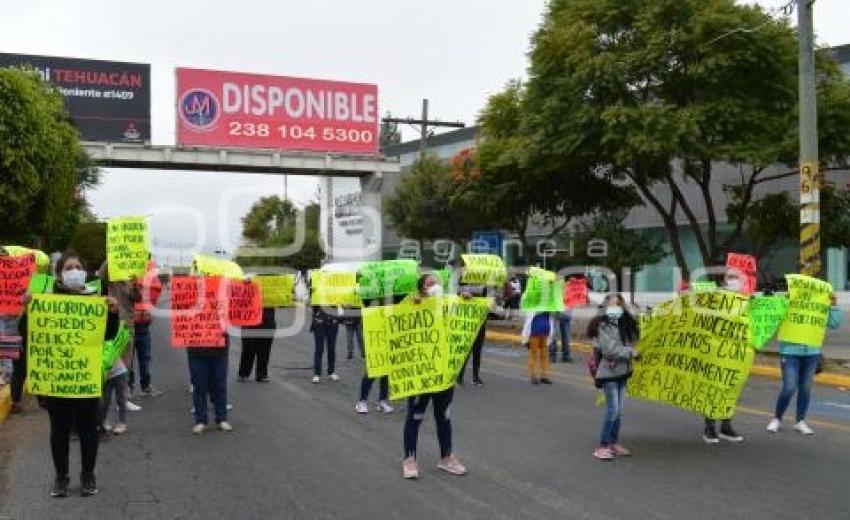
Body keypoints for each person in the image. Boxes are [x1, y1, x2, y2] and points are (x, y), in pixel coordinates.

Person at [21, 251, 120, 497]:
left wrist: (114, 313)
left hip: (85, 378)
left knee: (89, 429)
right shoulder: (45, 300)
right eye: (68, 267)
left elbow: (107, 335)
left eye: (77, 266)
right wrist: (27, 310)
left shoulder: (96, 299)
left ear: (84, 272)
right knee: (60, 430)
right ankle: (61, 477)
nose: (74, 271)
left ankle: (88, 475)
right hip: (58, 379)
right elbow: (28, 334)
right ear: (60, 274)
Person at [402, 274, 467, 480]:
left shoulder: (450, 306)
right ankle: (410, 459)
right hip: (421, 373)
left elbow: (465, 323)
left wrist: (466, 301)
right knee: (415, 417)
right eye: (431, 283)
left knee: (444, 417)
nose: (436, 286)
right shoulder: (412, 303)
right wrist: (412, 307)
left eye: (438, 282)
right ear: (422, 288)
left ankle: (446, 457)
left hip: (443, 374)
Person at [767, 292, 843, 435]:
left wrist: (833, 305)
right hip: (790, 352)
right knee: (789, 387)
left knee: (805, 388)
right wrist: (783, 301)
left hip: (812, 352)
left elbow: (834, 323)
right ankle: (777, 418)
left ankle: (800, 421)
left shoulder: (818, 303)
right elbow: (773, 316)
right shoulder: (790, 300)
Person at [588, 294, 639, 461]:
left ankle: (613, 443)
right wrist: (632, 353)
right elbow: (610, 350)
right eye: (612, 305)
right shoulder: (602, 326)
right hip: (608, 373)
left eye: (619, 305)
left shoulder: (623, 324)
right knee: (613, 410)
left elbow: (632, 339)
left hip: (622, 373)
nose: (615, 308)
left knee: (620, 412)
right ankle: (602, 446)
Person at [703, 272, 745, 444]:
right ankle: (710, 427)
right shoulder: (715, 300)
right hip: (714, 353)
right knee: (712, 390)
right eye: (731, 278)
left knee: (730, 390)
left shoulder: (744, 302)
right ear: (723, 282)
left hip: (734, 356)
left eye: (737, 278)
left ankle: (726, 426)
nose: (734, 281)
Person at [188, 330, 232, 434]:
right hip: (197, 351)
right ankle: (200, 421)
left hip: (219, 350)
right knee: (199, 386)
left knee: (220, 386)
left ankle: (222, 419)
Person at [130, 261, 163, 396]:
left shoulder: (149, 266)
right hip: (128, 324)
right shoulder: (125, 266)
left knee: (145, 357)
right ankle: (129, 388)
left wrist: (139, 283)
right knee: (128, 359)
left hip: (144, 324)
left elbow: (157, 288)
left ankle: (146, 386)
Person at [238, 306, 277, 383]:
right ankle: (244, 373)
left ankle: (262, 374)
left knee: (265, 349)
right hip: (250, 319)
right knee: (248, 347)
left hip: (267, 320)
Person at [522, 311, 556, 384]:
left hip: (545, 333)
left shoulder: (549, 309)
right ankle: (534, 376)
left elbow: (551, 321)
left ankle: (544, 376)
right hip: (535, 333)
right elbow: (528, 321)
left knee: (544, 356)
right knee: (534, 354)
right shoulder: (533, 308)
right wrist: (525, 337)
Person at [310, 304, 340, 384]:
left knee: (331, 348)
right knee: (319, 349)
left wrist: (338, 317)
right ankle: (317, 373)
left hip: (332, 321)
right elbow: (313, 301)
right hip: (319, 322)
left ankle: (331, 372)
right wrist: (316, 314)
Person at [100, 358, 129, 436]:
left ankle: (122, 422)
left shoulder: (111, 345)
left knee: (121, 399)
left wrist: (127, 366)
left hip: (119, 372)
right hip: (105, 376)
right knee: (105, 400)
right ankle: (103, 420)